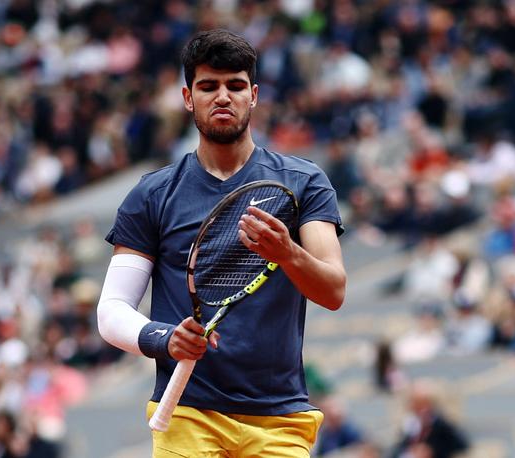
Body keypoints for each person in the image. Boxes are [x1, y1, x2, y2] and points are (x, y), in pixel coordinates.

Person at [96, 29, 347, 457]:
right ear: (188, 97)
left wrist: (287, 253)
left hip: (279, 418)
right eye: (208, 86)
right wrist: (164, 338)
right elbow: (111, 311)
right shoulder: (152, 195)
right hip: (186, 414)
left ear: (253, 95)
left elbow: (334, 290)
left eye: (234, 86)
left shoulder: (304, 182)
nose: (223, 97)